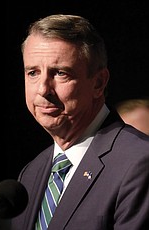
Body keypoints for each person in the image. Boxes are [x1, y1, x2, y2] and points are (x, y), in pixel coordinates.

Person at [11, 14, 149, 230]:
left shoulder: (139, 163)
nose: (43, 89)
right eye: (33, 73)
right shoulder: (30, 173)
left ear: (99, 83)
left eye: (60, 73)